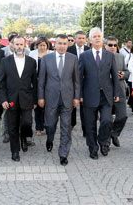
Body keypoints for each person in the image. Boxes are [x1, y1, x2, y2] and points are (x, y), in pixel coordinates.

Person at [79, 28, 121, 160]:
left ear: (102, 39)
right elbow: (80, 77)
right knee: (90, 123)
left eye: (99, 36)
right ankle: (92, 147)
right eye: (94, 36)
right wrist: (79, 95)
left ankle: (104, 142)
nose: (97, 38)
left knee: (106, 121)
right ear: (90, 40)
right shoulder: (84, 56)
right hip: (89, 95)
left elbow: (114, 75)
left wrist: (116, 92)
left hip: (106, 95)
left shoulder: (109, 55)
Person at [38, 34, 79, 166]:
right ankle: (49, 139)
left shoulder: (73, 59)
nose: (62, 46)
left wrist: (77, 97)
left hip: (67, 98)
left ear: (68, 45)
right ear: (54, 45)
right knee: (50, 124)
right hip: (50, 98)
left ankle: (63, 153)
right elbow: (41, 80)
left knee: (66, 127)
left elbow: (77, 81)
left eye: (64, 44)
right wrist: (41, 97)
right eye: (59, 43)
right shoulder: (46, 59)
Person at [0, 36, 37, 162]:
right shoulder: (5, 61)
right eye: (17, 44)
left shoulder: (31, 62)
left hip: (26, 99)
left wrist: (35, 100)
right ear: (12, 45)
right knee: (12, 127)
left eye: (21, 44)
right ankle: (15, 151)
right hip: (11, 99)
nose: (19, 47)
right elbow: (1, 84)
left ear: (25, 45)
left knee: (26, 123)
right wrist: (3, 99)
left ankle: (24, 137)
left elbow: (35, 83)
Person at [105, 37, 130, 147]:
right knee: (107, 118)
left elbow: (127, 71)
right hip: (106, 91)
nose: (113, 47)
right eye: (110, 45)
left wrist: (123, 75)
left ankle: (114, 133)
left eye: (115, 45)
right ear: (105, 46)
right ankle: (105, 142)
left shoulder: (120, 57)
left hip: (119, 90)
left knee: (122, 116)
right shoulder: (101, 57)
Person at [67, 31, 90, 135]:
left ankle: (85, 129)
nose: (81, 40)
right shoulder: (69, 50)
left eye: (83, 38)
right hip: (72, 81)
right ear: (75, 39)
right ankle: (71, 124)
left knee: (84, 106)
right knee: (72, 104)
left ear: (86, 39)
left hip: (86, 82)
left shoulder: (89, 50)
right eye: (79, 38)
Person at [29, 36, 52, 136]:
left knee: (48, 106)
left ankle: (47, 126)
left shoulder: (51, 54)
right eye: (40, 45)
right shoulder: (32, 54)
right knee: (37, 106)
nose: (42, 47)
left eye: (44, 45)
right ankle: (38, 127)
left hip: (48, 83)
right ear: (36, 45)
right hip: (36, 83)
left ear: (47, 46)